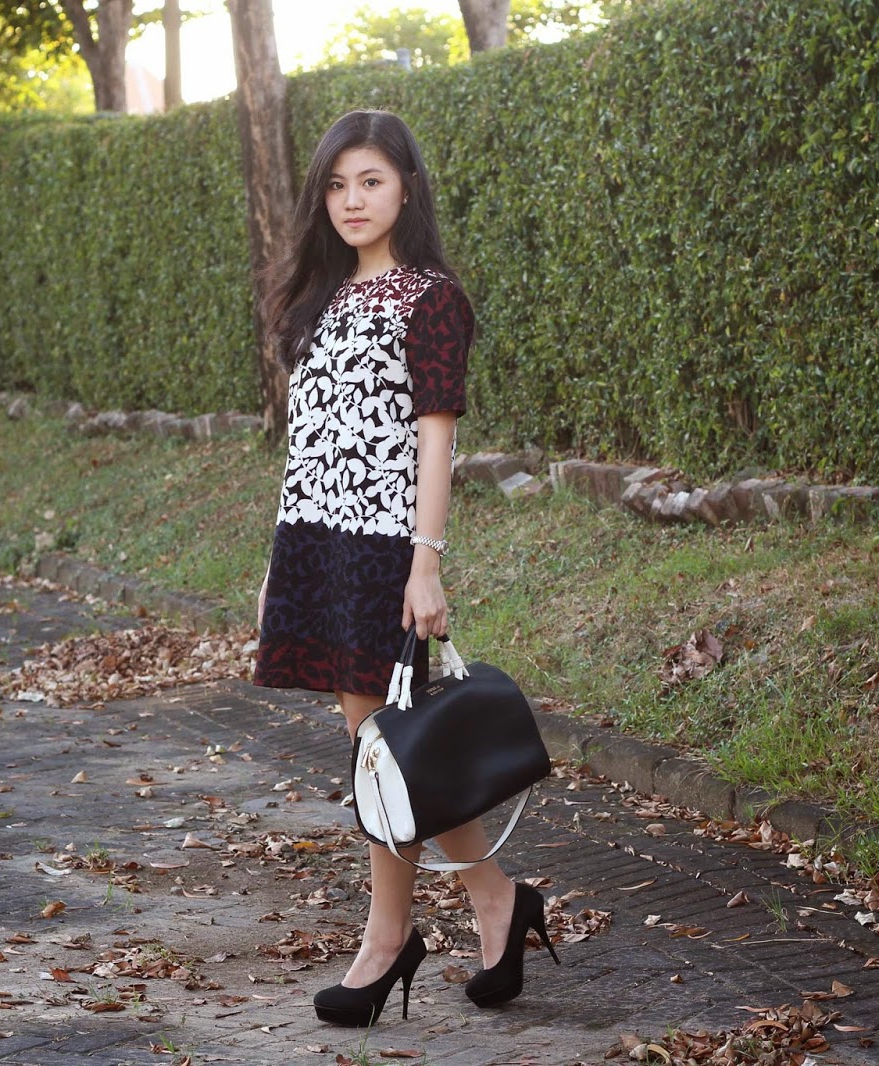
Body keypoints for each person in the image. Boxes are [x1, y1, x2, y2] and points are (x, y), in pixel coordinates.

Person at [252, 110, 557, 1028]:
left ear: (407, 190)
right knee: (390, 750)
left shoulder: (432, 299)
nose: (351, 200)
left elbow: (435, 441)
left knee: (380, 750)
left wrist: (427, 563)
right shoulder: (320, 298)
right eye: (337, 185)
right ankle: (498, 903)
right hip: (316, 542)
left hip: (384, 546)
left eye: (371, 181)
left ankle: (389, 941)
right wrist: (278, 561)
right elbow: (311, 443)